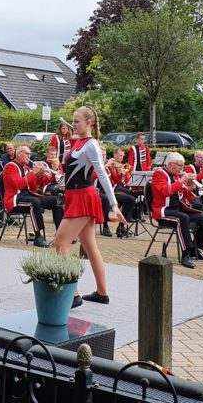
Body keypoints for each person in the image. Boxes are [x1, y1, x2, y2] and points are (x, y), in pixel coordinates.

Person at [54, 106, 125, 307]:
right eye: (73, 121)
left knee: (61, 242)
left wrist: (114, 204)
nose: (73, 124)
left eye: (76, 121)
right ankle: (102, 293)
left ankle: (72, 294)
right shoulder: (79, 142)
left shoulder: (91, 144)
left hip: (83, 197)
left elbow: (102, 174)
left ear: (89, 123)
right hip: (76, 195)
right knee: (89, 245)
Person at [150, 153, 199, 269]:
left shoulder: (177, 176)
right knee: (183, 218)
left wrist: (190, 186)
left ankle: (196, 250)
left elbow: (186, 195)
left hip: (178, 209)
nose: (181, 168)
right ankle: (186, 255)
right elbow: (164, 191)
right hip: (164, 211)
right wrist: (181, 181)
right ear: (170, 164)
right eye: (179, 165)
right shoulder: (159, 174)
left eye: (183, 166)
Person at [2, 145, 53, 247]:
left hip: (27, 196)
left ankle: (60, 235)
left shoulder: (25, 168)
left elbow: (33, 187)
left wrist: (39, 176)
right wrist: (33, 172)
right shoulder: (10, 167)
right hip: (15, 200)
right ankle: (38, 237)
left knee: (56, 200)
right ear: (19, 154)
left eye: (29, 154)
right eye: (27, 154)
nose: (29, 156)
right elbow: (19, 185)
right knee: (34, 203)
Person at [106, 148, 138, 238]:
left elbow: (120, 180)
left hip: (117, 187)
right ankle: (122, 225)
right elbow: (115, 181)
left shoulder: (122, 165)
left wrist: (122, 173)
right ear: (115, 155)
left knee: (134, 194)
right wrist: (110, 167)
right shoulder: (110, 164)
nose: (122, 157)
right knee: (130, 198)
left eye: (123, 156)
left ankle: (124, 222)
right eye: (120, 155)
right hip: (110, 190)